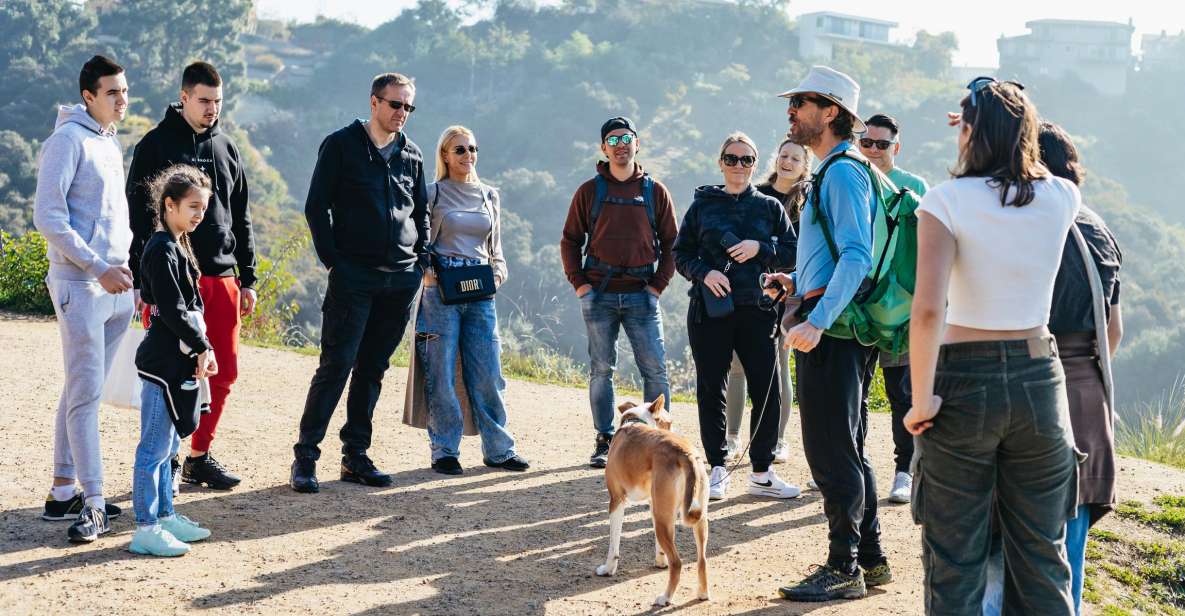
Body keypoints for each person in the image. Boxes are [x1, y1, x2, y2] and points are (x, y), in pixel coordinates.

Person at [904, 78, 1081, 615]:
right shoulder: (1062, 197)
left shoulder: (946, 201)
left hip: (962, 382)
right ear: (1027, 131)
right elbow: (1035, 174)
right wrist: (1000, 120)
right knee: (1042, 555)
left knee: (955, 558)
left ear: (971, 130)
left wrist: (920, 399)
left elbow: (929, 310)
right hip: (1039, 379)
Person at [981, 121, 1124, 616]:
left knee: (996, 563)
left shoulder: (1014, 224)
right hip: (1086, 401)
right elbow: (1114, 332)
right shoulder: (1097, 228)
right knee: (1066, 567)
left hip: (1019, 388)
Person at [769, 65, 890, 602]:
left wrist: (815, 322)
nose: (791, 111)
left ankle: (843, 568)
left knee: (829, 450)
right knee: (850, 446)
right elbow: (838, 256)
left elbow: (859, 255)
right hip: (840, 325)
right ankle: (872, 559)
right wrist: (796, 280)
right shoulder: (839, 169)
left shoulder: (841, 172)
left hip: (832, 330)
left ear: (830, 112)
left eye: (800, 103)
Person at [291, 72, 430, 493]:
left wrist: (420, 258)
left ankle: (355, 456)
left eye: (408, 106)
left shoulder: (413, 155)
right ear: (374, 102)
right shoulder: (340, 146)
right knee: (336, 366)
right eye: (394, 104)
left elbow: (420, 211)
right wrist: (335, 261)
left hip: (400, 282)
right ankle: (306, 458)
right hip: (354, 278)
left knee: (372, 370)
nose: (401, 113)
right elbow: (316, 207)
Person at [127, 61, 256, 492]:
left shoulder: (228, 148)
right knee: (173, 371)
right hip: (172, 278)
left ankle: (199, 457)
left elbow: (242, 218)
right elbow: (138, 217)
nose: (212, 109)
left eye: (218, 102)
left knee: (223, 372)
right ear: (184, 97)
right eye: (204, 100)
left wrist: (248, 277)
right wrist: (142, 280)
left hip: (221, 277)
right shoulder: (155, 145)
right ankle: (168, 460)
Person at [34, 55, 133, 543]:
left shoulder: (108, 142)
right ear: (88, 96)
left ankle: (61, 491)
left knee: (81, 388)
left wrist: (124, 265)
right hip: (81, 284)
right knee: (86, 395)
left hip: (117, 285)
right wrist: (97, 268)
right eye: (112, 92)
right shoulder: (66, 140)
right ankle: (93, 503)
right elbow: (48, 218)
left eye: (124, 90)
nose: (122, 99)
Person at [673, 131, 799, 502]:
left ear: (755, 164)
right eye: (732, 159)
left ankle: (762, 471)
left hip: (758, 310)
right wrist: (704, 273)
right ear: (721, 163)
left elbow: (792, 252)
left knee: (768, 389)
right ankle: (716, 469)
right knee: (712, 388)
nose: (739, 166)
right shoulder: (702, 206)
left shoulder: (770, 208)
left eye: (746, 160)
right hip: (710, 310)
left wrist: (760, 246)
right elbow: (681, 254)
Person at [408, 125, 528, 475]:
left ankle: (500, 450)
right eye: (459, 150)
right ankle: (444, 450)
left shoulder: (490, 195)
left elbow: (496, 246)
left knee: (489, 372)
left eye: (472, 149)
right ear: (445, 155)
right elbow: (418, 241)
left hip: (480, 291)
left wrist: (499, 273)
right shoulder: (432, 193)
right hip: (440, 291)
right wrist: (427, 272)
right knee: (440, 372)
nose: (468, 156)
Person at [560, 116, 678, 468]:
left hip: (643, 293)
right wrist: (580, 284)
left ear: (637, 144)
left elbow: (672, 242)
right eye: (613, 140)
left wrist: (657, 286)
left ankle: (660, 440)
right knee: (601, 369)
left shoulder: (654, 191)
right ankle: (605, 440)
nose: (621, 144)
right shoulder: (589, 191)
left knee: (655, 370)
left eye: (627, 138)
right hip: (599, 293)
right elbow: (570, 240)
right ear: (603, 148)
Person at [130, 165, 217, 556]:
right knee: (152, 447)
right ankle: (146, 527)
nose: (199, 214)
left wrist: (200, 347)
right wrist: (202, 346)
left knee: (167, 446)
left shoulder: (177, 244)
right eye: (192, 206)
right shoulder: (161, 248)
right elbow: (173, 308)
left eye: (204, 207)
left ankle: (165, 515)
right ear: (169, 205)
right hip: (162, 362)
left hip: (175, 360)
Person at [856, 113, 930, 504]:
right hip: (856, 300)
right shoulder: (851, 179)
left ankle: (904, 469)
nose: (872, 150)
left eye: (881, 144)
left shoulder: (915, 187)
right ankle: (855, 463)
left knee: (900, 390)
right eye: (866, 142)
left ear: (895, 148)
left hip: (899, 305)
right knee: (857, 388)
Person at [723, 138, 810, 464]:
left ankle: (777, 440)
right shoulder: (754, 195)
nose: (787, 162)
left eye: (796, 158)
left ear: (805, 166)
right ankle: (731, 438)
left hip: (788, 294)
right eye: (784, 155)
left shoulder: (808, 202)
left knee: (778, 368)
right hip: (748, 291)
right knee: (737, 367)